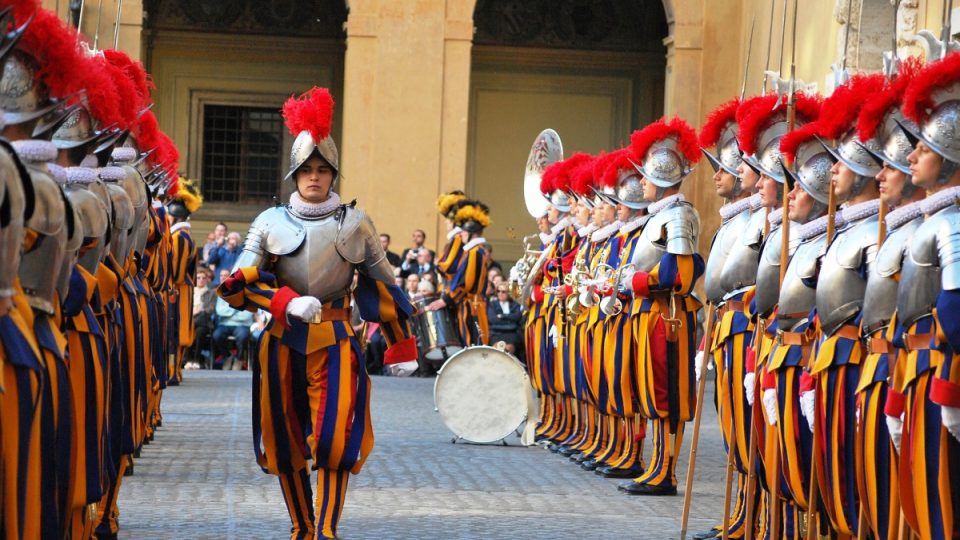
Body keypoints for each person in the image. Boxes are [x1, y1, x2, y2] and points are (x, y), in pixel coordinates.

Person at [217, 87, 416, 539]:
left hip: (336, 340)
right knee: (284, 441)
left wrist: (400, 343)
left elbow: (384, 286)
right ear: (294, 173)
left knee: (333, 438)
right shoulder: (269, 222)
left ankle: (326, 530)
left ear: (333, 174)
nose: (314, 177)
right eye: (306, 170)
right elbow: (234, 287)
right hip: (282, 338)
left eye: (322, 170)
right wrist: (285, 302)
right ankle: (302, 527)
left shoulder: (356, 222)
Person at [426, 199, 492, 346]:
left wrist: (446, 300)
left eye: (463, 231)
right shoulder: (473, 251)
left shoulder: (475, 252)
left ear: (472, 233)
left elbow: (467, 284)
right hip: (467, 305)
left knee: (471, 347)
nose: (460, 233)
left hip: (471, 308)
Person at [213, 283, 254, 370]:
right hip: (225, 324)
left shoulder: (247, 295)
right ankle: (227, 356)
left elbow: (246, 316)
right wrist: (237, 307)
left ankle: (239, 359)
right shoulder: (223, 294)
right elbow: (220, 311)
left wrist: (229, 310)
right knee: (217, 335)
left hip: (242, 324)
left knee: (243, 336)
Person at [487, 283, 523, 358]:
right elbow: (493, 320)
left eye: (503, 291)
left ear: (508, 293)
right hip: (496, 333)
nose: (500, 294)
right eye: (498, 291)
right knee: (497, 348)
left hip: (512, 333)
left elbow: (517, 317)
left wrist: (502, 316)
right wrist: (510, 320)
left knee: (509, 349)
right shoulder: (492, 304)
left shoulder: (515, 304)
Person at [193, 268, 217, 367]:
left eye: (203, 278)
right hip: (189, 318)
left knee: (199, 331)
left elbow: (210, 309)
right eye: (198, 278)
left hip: (203, 320)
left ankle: (195, 360)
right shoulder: (190, 291)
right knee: (186, 329)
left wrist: (198, 311)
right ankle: (188, 359)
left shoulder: (211, 293)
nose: (201, 280)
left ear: (207, 280)